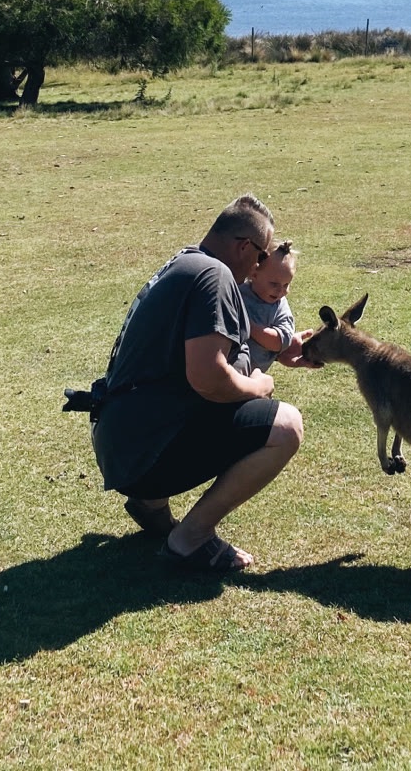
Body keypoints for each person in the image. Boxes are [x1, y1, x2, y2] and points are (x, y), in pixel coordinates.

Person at [90, 193, 304, 573]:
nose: (257, 268)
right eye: (260, 257)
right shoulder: (215, 276)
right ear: (244, 247)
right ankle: (191, 538)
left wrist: (278, 352)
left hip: (122, 440)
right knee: (287, 427)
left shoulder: (188, 262)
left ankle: (150, 502)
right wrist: (259, 386)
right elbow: (208, 379)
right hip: (140, 451)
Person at [241, 240, 298, 371]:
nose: (280, 291)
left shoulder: (279, 306)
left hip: (253, 371)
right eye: (274, 284)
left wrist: (248, 326)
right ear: (254, 274)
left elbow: (280, 342)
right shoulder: (239, 292)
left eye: (286, 285)